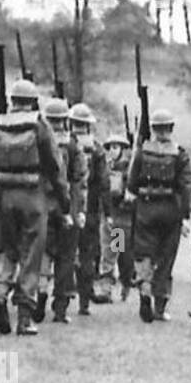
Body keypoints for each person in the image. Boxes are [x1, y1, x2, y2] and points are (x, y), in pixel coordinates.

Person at [0, 79, 70, 336]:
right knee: (32, 256)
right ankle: (23, 316)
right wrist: (65, 203)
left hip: (5, 198)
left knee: (6, 250)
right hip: (34, 198)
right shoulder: (40, 126)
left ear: (12, 101)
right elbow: (55, 167)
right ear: (33, 101)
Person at [125, 109, 191, 322]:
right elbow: (186, 187)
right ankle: (160, 305)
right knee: (165, 258)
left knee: (142, 252)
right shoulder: (180, 154)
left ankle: (144, 289)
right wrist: (185, 216)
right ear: (171, 128)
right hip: (170, 211)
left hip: (144, 209)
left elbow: (131, 183)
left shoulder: (141, 152)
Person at [40, 97, 86, 324]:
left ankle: (39, 295)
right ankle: (63, 307)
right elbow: (82, 181)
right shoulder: (78, 147)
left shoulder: (38, 142)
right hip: (79, 210)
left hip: (44, 206)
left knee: (43, 253)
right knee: (69, 258)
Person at [69, 103, 109, 311]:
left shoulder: (69, 143)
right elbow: (104, 183)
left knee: (112, 247)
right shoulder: (98, 149)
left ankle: (116, 276)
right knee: (100, 250)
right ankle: (111, 275)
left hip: (86, 208)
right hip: (100, 211)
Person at [96, 131, 136, 302]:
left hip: (121, 219)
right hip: (107, 215)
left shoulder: (129, 170)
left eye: (115, 147)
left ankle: (125, 284)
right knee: (109, 252)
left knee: (120, 255)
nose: (112, 151)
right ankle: (106, 290)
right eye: (110, 147)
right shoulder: (105, 166)